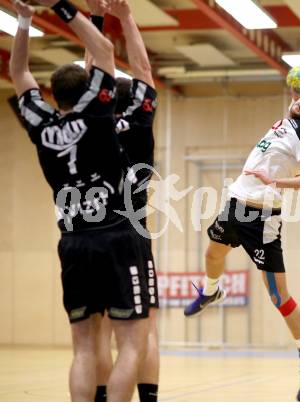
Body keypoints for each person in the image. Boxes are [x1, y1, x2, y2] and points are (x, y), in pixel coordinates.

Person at [9, 1, 150, 401]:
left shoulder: (40, 122)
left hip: (72, 243)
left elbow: (18, 72)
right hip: (117, 236)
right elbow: (104, 51)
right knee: (132, 344)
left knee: (85, 349)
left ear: (52, 94)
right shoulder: (97, 112)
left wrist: (24, 20)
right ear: (90, 90)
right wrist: (58, 6)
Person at [184, 87, 300, 401]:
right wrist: (298, 94)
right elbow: (296, 103)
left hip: (262, 217)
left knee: (278, 296)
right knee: (213, 254)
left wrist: (277, 182)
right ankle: (212, 291)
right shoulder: (289, 120)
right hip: (236, 202)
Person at [83, 1, 160, 401]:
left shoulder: (89, 121)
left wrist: (96, 20)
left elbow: (93, 70)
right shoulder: (141, 120)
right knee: (140, 332)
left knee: (91, 333)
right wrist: (126, 17)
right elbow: (142, 69)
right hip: (130, 229)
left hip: (85, 228)